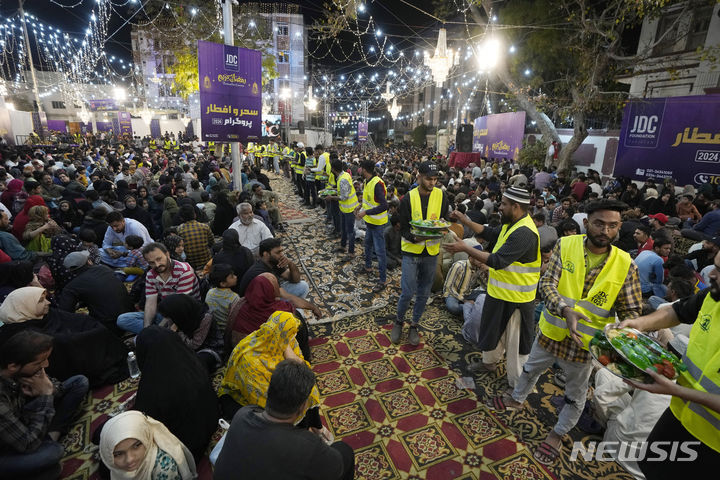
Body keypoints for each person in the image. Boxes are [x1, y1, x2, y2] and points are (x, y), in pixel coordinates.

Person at [486, 199, 642, 466]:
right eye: (599, 223)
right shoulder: (565, 245)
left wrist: (625, 337)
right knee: (530, 369)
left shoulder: (626, 264)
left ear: (619, 228)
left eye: (612, 226)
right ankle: (517, 399)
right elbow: (547, 282)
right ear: (586, 223)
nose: (605, 231)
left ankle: (557, 434)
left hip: (584, 345)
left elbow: (632, 311)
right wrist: (564, 309)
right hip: (552, 331)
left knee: (575, 394)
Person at [619, 248, 720, 477]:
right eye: (715, 266)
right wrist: (641, 324)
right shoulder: (712, 296)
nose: (711, 274)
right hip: (678, 415)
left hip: (713, 448)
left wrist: (676, 390)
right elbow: (677, 311)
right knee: (651, 470)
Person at [444, 186, 540, 388]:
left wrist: (465, 247)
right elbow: (489, 232)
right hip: (499, 293)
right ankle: (489, 364)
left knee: (515, 345)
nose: (500, 207)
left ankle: (517, 387)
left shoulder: (524, 233)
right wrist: (465, 220)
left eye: (504, 204)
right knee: (493, 331)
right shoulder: (512, 224)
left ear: (516, 207)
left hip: (517, 300)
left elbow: (497, 260)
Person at [214, 360, 355, 480]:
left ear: (268, 392)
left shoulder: (243, 414)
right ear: (303, 406)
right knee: (345, 452)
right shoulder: (307, 445)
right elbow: (336, 468)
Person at [0, 330, 89, 480]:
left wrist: (48, 388)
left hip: (22, 421)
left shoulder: (20, 371)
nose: (46, 365)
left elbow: (57, 387)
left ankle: (51, 435)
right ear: (13, 366)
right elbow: (28, 444)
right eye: (39, 362)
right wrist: (46, 396)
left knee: (79, 382)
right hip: (7, 448)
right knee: (53, 453)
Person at [0, 287, 129, 387]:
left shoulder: (43, 314)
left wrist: (91, 329)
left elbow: (73, 319)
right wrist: (86, 335)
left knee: (96, 329)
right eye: (41, 301)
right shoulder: (18, 333)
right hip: (67, 357)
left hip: (75, 338)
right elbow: (59, 342)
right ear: (24, 307)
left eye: (46, 298)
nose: (47, 303)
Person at [217, 310, 321, 424]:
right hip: (247, 400)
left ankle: (316, 426)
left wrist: (285, 347)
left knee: (308, 389)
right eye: (292, 334)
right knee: (287, 409)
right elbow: (263, 398)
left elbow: (303, 368)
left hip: (275, 386)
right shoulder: (250, 359)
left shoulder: (282, 339)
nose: (294, 336)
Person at [133, 326, 219, 461]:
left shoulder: (154, 386)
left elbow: (139, 423)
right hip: (210, 424)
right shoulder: (194, 362)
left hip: (184, 450)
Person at [392, 161, 450, 345]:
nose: (432, 183)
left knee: (424, 293)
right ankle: (399, 322)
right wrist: (414, 238)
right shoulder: (408, 198)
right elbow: (402, 229)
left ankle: (414, 325)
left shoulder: (442, 195)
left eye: (435, 179)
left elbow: (444, 220)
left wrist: (443, 229)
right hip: (412, 250)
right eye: (428, 179)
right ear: (419, 177)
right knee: (408, 292)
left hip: (431, 251)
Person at [116, 242, 200, 335]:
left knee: (167, 330)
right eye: (151, 262)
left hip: (185, 314)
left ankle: (158, 334)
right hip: (165, 313)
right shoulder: (150, 275)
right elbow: (150, 303)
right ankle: (155, 333)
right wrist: (147, 328)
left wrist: (160, 327)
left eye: (159, 259)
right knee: (122, 320)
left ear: (167, 254)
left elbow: (180, 307)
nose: (157, 264)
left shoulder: (184, 271)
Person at [99, 411, 197, 480]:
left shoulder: (164, 469)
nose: (129, 459)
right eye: (118, 454)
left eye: (136, 446)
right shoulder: (113, 464)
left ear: (147, 439)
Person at [230, 273, 310, 358]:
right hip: (268, 358)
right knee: (297, 318)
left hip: (242, 356)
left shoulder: (240, 305)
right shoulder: (280, 309)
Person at [56, 250, 134, 332]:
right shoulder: (104, 269)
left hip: (108, 325)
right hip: (130, 316)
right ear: (89, 262)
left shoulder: (72, 286)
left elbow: (64, 313)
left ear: (70, 271)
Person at [237, 239, 317, 314]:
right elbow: (284, 295)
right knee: (299, 313)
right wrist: (313, 307)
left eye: (281, 251)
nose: (281, 255)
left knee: (303, 286)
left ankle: (294, 310)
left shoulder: (273, 262)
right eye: (278, 252)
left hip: (271, 296)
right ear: (266, 254)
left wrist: (290, 263)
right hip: (253, 306)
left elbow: (295, 279)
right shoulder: (261, 271)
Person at [156, 294, 224, 373]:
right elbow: (168, 330)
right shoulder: (176, 315)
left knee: (194, 365)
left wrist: (178, 332)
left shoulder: (205, 318)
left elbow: (194, 345)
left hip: (206, 348)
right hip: (185, 344)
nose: (168, 319)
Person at [356, 159, 389, 285]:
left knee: (380, 252)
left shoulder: (377, 184)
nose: (359, 170)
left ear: (364, 169)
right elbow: (368, 201)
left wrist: (365, 212)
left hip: (378, 223)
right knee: (368, 245)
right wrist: (360, 206)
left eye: (361, 168)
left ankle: (383, 279)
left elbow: (384, 206)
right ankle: (368, 267)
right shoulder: (366, 181)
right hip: (370, 222)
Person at [327, 159, 359, 257]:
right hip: (345, 208)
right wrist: (334, 190)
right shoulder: (344, 174)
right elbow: (344, 190)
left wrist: (331, 197)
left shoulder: (342, 179)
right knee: (344, 229)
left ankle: (351, 252)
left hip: (350, 209)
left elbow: (344, 196)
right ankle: (343, 245)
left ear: (333, 169)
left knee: (350, 231)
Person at [175, 204, 214, 271]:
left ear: (182, 218)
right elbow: (212, 242)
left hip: (191, 263)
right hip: (206, 260)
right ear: (194, 215)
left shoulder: (179, 229)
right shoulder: (205, 226)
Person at [205, 263, 241, 333]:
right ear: (223, 283)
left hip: (215, 329)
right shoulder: (234, 298)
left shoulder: (209, 293)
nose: (235, 277)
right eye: (232, 276)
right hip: (229, 330)